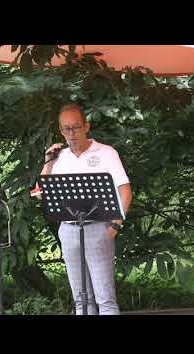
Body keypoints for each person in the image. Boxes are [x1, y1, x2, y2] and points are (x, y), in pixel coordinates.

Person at [40, 104, 132, 315]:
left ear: (86, 126)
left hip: (99, 227)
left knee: (105, 299)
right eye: (66, 129)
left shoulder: (106, 153)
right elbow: (43, 193)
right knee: (81, 300)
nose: (71, 134)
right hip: (69, 229)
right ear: (60, 130)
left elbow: (125, 191)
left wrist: (115, 225)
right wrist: (47, 163)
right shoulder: (58, 157)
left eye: (76, 127)